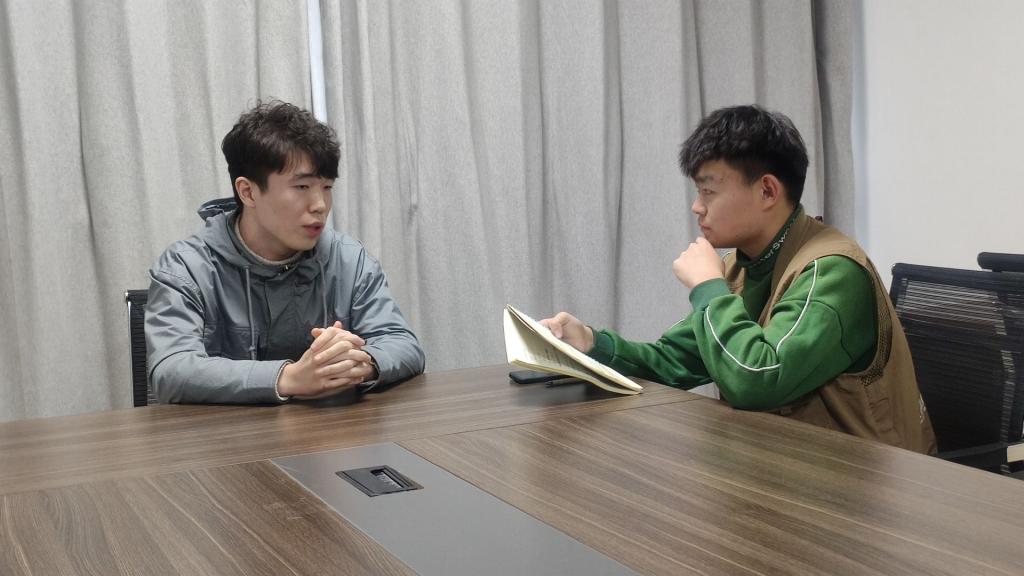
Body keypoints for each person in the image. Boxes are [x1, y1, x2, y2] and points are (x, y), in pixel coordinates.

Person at [542, 105, 935, 453]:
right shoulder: (744, 263)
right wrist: (591, 343)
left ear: (767, 191)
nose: (697, 207)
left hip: (866, 488)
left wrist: (707, 287)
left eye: (708, 191)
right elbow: (673, 360)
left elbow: (757, 381)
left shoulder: (832, 271)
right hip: (785, 465)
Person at [146, 101, 425, 404]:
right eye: (302, 187)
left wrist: (360, 364)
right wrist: (289, 378)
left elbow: (403, 343)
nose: (320, 205)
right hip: (228, 434)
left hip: (331, 433)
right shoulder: (187, 267)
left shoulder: (349, 260)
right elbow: (171, 370)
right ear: (248, 192)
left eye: (327, 187)